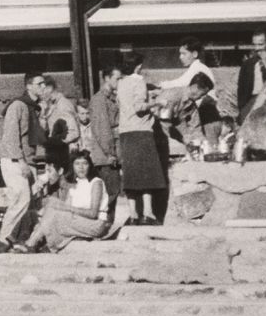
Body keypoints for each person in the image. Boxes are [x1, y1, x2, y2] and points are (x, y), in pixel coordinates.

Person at [12, 151, 111, 253]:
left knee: (54, 214)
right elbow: (65, 208)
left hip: (96, 224)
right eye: (77, 164)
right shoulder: (77, 185)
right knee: (51, 208)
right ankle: (32, 242)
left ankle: (31, 243)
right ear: (72, 166)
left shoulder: (96, 183)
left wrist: (64, 207)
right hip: (80, 221)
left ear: (89, 165)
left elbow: (93, 214)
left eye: (84, 163)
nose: (81, 167)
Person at [115, 53, 169, 225]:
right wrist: (157, 103)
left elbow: (126, 104)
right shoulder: (139, 81)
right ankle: (148, 212)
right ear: (138, 66)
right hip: (141, 131)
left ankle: (133, 214)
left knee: (131, 175)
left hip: (125, 131)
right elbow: (139, 107)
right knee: (147, 174)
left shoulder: (121, 82)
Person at [0, 72, 43, 253]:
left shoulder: (34, 108)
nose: (43, 87)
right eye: (39, 84)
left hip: (29, 160)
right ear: (29, 86)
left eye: (44, 84)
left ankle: (19, 240)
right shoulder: (17, 105)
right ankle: (1, 242)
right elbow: (10, 137)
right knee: (21, 199)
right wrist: (21, 162)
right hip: (14, 160)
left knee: (31, 203)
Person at [87, 66, 122, 204]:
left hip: (111, 154)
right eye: (117, 78)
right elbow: (102, 129)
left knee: (112, 193)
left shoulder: (111, 98)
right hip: (105, 157)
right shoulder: (99, 100)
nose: (120, 82)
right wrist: (110, 153)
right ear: (107, 78)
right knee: (109, 195)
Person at [237, 30, 266, 121]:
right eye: (254, 44)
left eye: (260, 44)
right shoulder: (248, 64)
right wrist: (242, 109)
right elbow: (241, 89)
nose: (257, 48)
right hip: (251, 103)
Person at [39, 75, 80, 175]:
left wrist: (56, 142)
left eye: (42, 90)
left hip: (64, 153)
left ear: (49, 88)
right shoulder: (52, 105)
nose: (40, 94)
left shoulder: (63, 105)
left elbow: (74, 132)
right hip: (56, 153)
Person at [186, 72, 226, 153]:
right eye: (202, 94)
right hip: (208, 123)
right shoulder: (190, 98)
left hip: (209, 123)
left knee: (211, 150)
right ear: (195, 87)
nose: (202, 96)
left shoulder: (204, 100)